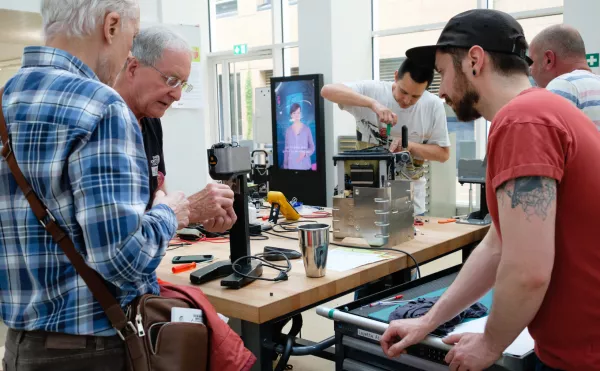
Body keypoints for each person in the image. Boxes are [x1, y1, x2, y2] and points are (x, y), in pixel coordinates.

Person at [381, 9, 600, 371]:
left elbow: (527, 270)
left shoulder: (523, 121)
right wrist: (428, 320)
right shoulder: (545, 110)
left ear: (474, 60)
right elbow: (499, 244)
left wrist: (490, 344)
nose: (443, 91)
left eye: (442, 74)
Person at [0, 1, 190, 370]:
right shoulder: (101, 105)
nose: (127, 57)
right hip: (92, 350)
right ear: (111, 26)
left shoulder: (6, 99)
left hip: (21, 346)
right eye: (132, 38)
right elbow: (122, 259)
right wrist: (170, 214)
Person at [114, 26, 236, 232]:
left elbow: (158, 193)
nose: (177, 95)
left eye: (182, 84)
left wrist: (200, 214)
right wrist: (190, 211)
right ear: (133, 68)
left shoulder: (151, 120)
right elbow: (116, 232)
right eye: (171, 80)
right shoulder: (106, 126)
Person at [321, 58, 450, 216]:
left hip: (410, 205)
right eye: (403, 91)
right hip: (366, 200)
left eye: (416, 96)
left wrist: (410, 146)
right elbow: (327, 91)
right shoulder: (373, 91)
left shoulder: (433, 106)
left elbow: (443, 154)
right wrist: (373, 104)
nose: (407, 100)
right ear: (396, 77)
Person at [529, 24, 600, 130]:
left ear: (548, 60)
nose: (530, 69)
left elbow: (548, 140)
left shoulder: (563, 85)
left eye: (531, 62)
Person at [283, 103, 315, 170]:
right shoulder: (288, 131)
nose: (296, 115)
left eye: (298, 113)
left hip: (305, 166)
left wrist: (305, 153)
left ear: (301, 114)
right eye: (294, 113)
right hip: (291, 167)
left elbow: (312, 147)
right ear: (291, 115)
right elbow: (286, 150)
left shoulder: (306, 129)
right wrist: (285, 166)